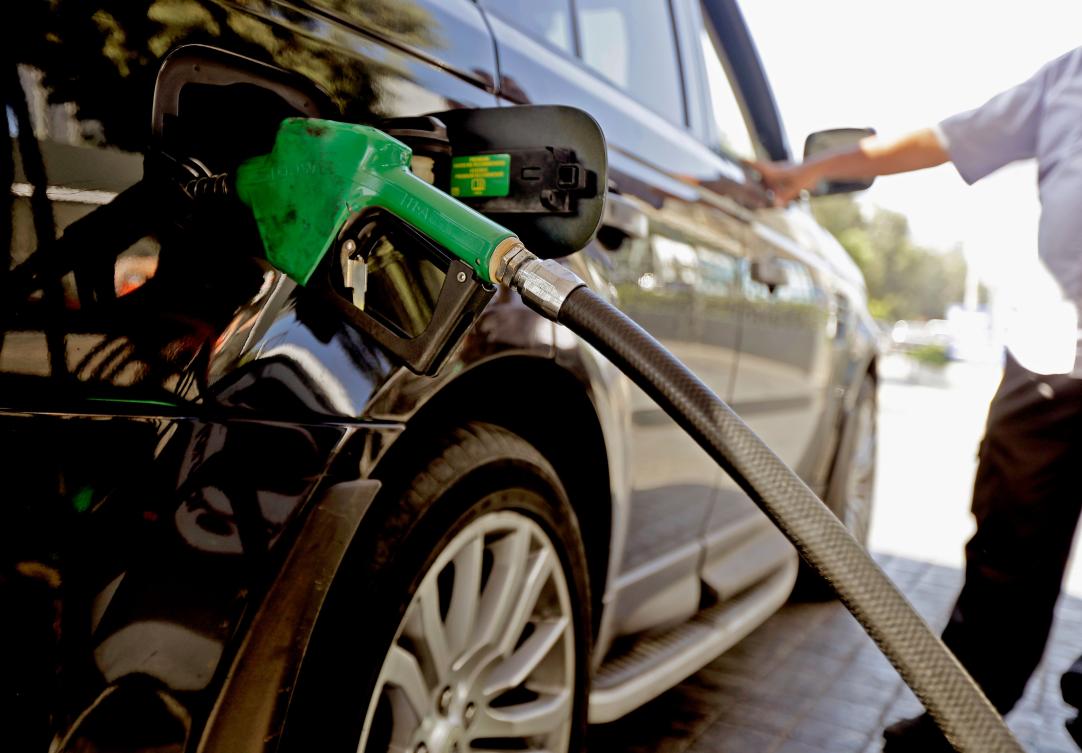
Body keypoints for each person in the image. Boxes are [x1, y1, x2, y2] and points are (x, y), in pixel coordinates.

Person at [752, 46, 1082, 752]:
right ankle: (955, 725)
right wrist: (811, 171)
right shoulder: (1068, 77)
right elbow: (943, 137)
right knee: (1004, 558)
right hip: (1053, 355)